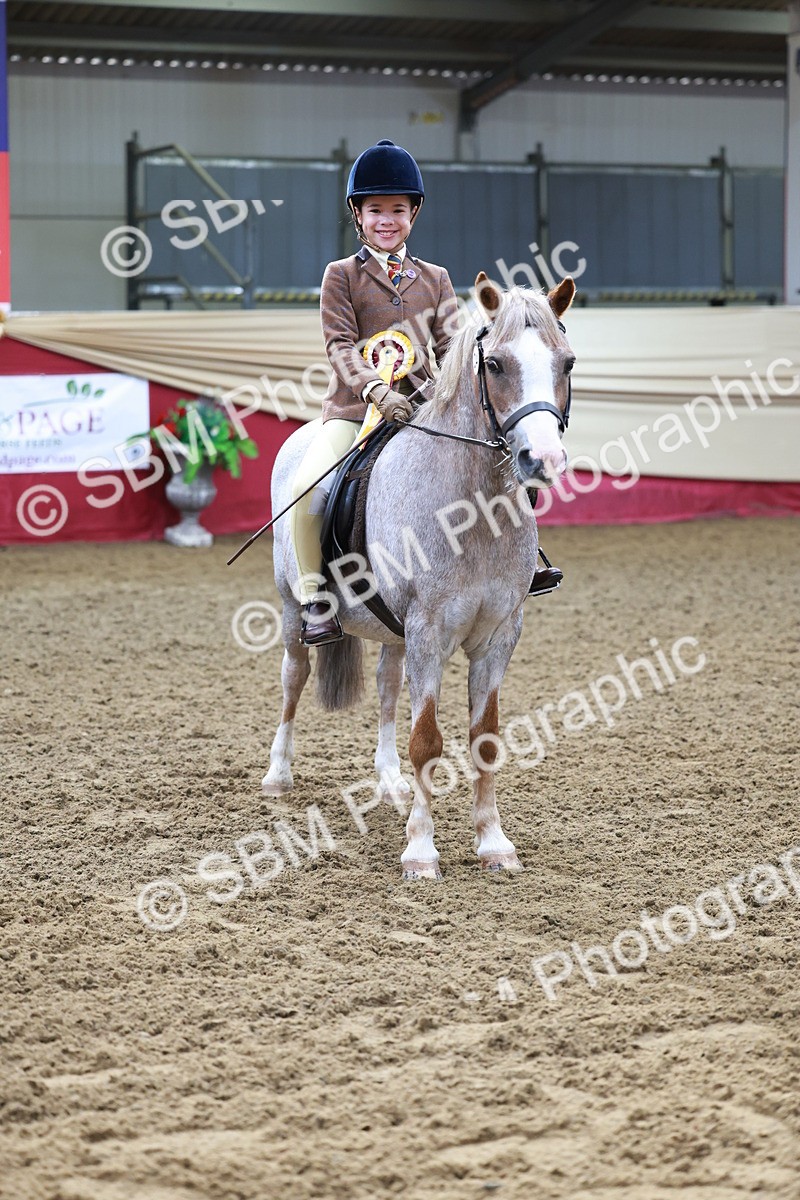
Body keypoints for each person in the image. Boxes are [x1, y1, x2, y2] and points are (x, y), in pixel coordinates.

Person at [289, 138, 562, 647]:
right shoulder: (341, 276)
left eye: (397, 210)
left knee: (498, 465)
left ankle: (526, 564)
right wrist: (374, 390)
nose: (386, 220)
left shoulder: (435, 279)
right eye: (376, 210)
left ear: (413, 214)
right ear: (358, 215)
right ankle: (315, 599)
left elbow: (452, 346)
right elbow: (340, 344)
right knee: (310, 490)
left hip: (422, 409)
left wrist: (442, 397)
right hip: (355, 411)